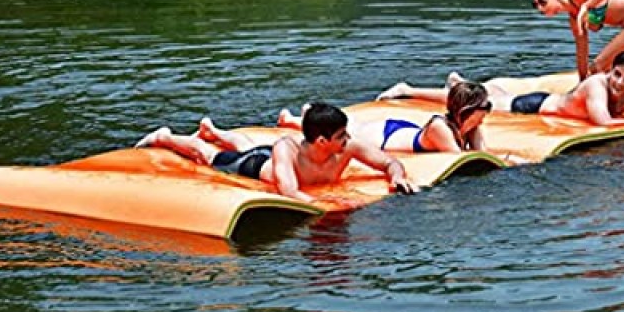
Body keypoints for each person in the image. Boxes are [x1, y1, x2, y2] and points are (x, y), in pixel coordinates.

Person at [135, 102, 417, 202]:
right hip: (255, 164)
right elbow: (289, 191)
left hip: (265, 153)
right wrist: (329, 207)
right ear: (321, 141)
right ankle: (167, 137)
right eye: (341, 136)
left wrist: (397, 176)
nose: (348, 139)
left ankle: (216, 131)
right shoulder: (287, 149)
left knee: (246, 142)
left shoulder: (347, 147)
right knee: (207, 156)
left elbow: (388, 162)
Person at [377, 51, 624, 127]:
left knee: (487, 93)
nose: (619, 82)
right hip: (536, 106)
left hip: (543, 104)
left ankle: (459, 81)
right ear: (610, 71)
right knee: (475, 100)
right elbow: (605, 123)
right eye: (616, 74)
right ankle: (408, 90)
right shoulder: (596, 86)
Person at [278, 82, 491, 154]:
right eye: (486, 106)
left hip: (407, 130)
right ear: (468, 109)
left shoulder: (470, 126)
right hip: (386, 138)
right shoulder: (441, 129)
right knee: (346, 131)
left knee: (353, 125)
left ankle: (306, 114)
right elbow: (462, 157)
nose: (489, 110)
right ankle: (296, 120)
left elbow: (483, 154)